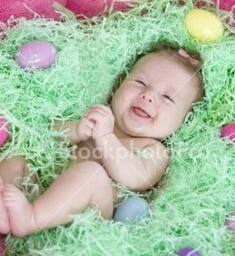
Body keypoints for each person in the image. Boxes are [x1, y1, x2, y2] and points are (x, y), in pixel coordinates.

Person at [0, 47, 204, 237]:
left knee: (92, 173)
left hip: (92, 212)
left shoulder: (155, 150)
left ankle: (31, 219)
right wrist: (77, 130)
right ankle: (4, 211)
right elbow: (48, 135)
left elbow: (134, 177)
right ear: (119, 85)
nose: (148, 96)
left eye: (168, 98)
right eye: (140, 83)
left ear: (185, 119)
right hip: (45, 188)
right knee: (18, 160)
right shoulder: (98, 119)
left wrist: (106, 138)